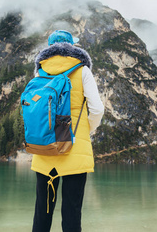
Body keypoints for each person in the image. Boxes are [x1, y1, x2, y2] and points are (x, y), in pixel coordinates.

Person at [31, 30, 104, 232]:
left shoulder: (40, 72)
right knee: (72, 212)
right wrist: (85, 130)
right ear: (72, 47)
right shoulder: (83, 71)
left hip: (44, 147)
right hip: (74, 148)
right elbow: (97, 109)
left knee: (42, 212)